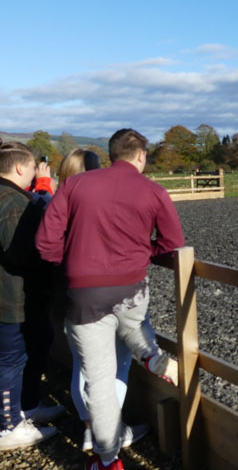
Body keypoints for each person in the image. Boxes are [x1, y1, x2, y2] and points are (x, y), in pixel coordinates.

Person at [36, 129, 185, 470]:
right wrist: (144, 251)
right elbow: (173, 242)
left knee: (99, 381)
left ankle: (107, 460)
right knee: (133, 325)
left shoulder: (75, 185)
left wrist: (72, 263)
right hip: (131, 287)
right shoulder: (153, 190)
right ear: (141, 156)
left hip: (84, 294)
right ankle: (152, 356)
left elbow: (45, 242)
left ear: (112, 154)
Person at [57, 149, 140, 452]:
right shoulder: (98, 204)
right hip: (106, 293)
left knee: (83, 365)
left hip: (70, 295)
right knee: (117, 364)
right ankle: (110, 431)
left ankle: (90, 429)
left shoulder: (57, 202)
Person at [0, 141, 59, 450]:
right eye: (34, 167)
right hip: (10, 298)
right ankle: (8, 426)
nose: (37, 172)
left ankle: (27, 406)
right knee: (11, 361)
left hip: (18, 297)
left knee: (36, 346)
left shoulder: (13, 197)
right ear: (20, 167)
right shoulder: (13, 203)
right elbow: (20, 253)